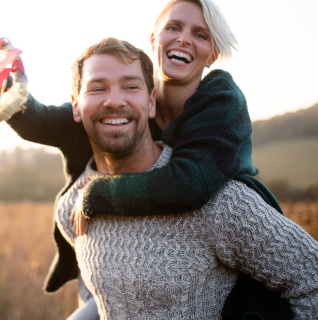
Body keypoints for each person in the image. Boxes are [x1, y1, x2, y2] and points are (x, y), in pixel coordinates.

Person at [6, 0, 291, 319]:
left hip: (230, 266)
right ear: (154, 38)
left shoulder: (222, 103)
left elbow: (187, 184)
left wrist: (99, 192)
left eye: (199, 34)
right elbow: (48, 123)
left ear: (212, 54)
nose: (184, 39)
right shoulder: (132, 94)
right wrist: (10, 97)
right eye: (175, 28)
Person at [55, 36, 318, 319]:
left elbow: (312, 279)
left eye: (131, 86)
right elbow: (96, 291)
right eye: (97, 88)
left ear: (151, 102)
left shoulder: (217, 201)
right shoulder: (72, 205)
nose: (115, 100)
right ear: (76, 106)